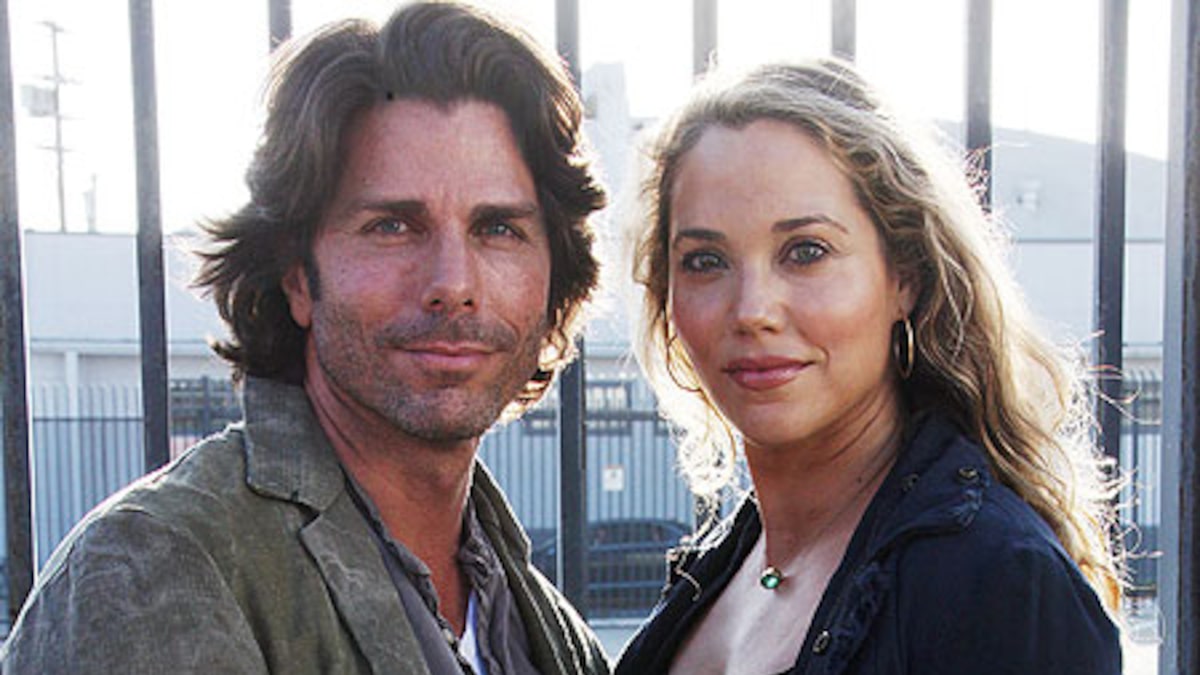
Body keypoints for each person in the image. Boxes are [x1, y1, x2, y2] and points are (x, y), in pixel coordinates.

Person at [1, 3, 610, 673]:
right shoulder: (156, 566)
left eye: (498, 229)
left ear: (553, 278)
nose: (453, 283)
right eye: (392, 227)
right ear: (296, 274)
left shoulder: (550, 630)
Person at [614, 60, 1123, 674]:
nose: (751, 311)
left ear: (904, 276)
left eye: (806, 252)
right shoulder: (721, 569)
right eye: (704, 261)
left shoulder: (997, 580)